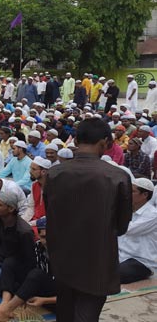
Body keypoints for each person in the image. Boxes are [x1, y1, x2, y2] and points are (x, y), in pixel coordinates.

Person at [44, 117, 132, 321]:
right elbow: (121, 226)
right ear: (104, 142)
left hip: (62, 258)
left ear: (75, 141)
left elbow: (51, 215)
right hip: (97, 260)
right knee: (87, 314)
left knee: (65, 311)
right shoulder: (117, 177)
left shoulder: (55, 173)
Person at [0, 217, 57, 322]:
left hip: (57, 298)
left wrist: (44, 300)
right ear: (38, 236)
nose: (47, 241)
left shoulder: (67, 254)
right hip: (34, 290)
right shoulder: (38, 246)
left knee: (36, 274)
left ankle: (5, 311)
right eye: (44, 237)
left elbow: (73, 295)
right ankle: (4, 304)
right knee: (9, 262)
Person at [117, 178, 157, 284]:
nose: (128, 194)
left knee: (112, 275)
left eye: (133, 191)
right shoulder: (128, 210)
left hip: (141, 261)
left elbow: (127, 229)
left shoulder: (152, 214)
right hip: (121, 256)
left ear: (144, 195)